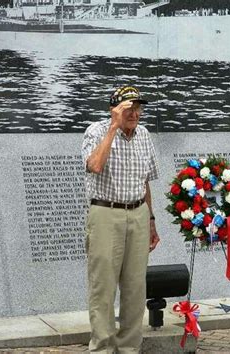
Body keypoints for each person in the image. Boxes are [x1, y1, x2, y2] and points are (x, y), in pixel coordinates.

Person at [82, 85, 160, 353]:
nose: (135, 113)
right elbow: (94, 166)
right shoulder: (96, 131)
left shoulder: (145, 135)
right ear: (114, 109)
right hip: (105, 213)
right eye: (128, 108)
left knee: (135, 288)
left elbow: (146, 181)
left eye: (138, 108)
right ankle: (102, 348)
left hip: (138, 213)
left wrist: (151, 220)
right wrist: (112, 129)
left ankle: (129, 349)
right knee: (103, 288)